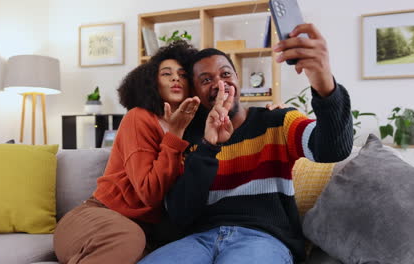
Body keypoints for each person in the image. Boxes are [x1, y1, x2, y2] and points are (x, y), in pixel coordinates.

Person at [139, 24, 353, 264]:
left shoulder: (277, 121)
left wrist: (324, 84)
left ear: (238, 78)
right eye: (206, 79)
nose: (220, 84)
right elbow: (179, 214)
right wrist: (209, 147)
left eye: (226, 74)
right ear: (196, 92)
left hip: (264, 239)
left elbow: (333, 149)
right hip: (200, 241)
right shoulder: (189, 141)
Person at [53, 40, 200, 264]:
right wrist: (175, 135)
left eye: (182, 74)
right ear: (153, 83)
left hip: (143, 230)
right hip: (95, 217)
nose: (175, 78)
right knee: (129, 238)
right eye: (166, 74)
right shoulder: (139, 117)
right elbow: (149, 193)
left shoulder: (193, 129)